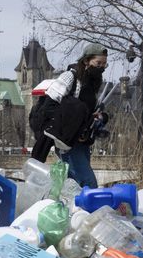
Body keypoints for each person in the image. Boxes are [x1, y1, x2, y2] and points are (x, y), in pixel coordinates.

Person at [39, 43, 109, 188]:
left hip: (83, 141)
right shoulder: (70, 77)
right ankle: (91, 209)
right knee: (88, 183)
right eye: (98, 63)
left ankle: (69, 209)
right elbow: (49, 107)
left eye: (104, 64)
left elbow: (86, 112)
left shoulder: (93, 83)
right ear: (86, 61)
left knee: (72, 185)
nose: (101, 67)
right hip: (68, 142)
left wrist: (96, 117)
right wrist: (71, 121)